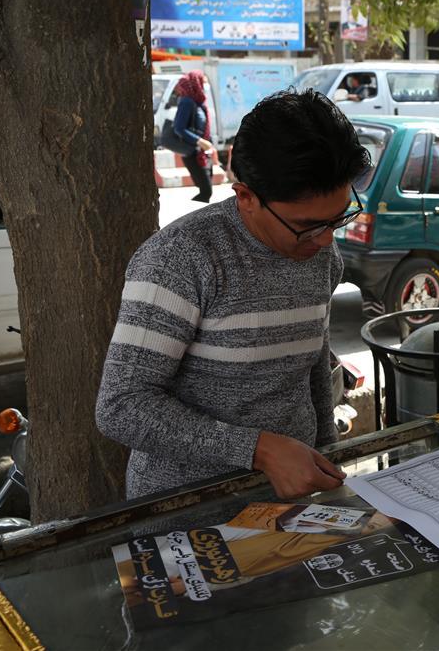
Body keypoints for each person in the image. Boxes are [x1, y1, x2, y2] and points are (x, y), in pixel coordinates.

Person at [96, 89, 371, 500]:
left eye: (339, 218)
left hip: (294, 502)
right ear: (246, 197)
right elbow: (121, 405)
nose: (326, 239)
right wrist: (259, 450)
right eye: (309, 225)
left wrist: (326, 458)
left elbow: (313, 361)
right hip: (187, 511)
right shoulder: (180, 258)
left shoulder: (321, 252)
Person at [172, 70, 214, 203]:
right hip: (193, 152)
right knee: (206, 191)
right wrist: (200, 141)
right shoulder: (187, 102)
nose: (205, 86)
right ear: (197, 83)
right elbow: (179, 128)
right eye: (204, 82)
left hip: (202, 151)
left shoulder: (198, 102)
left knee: (206, 191)